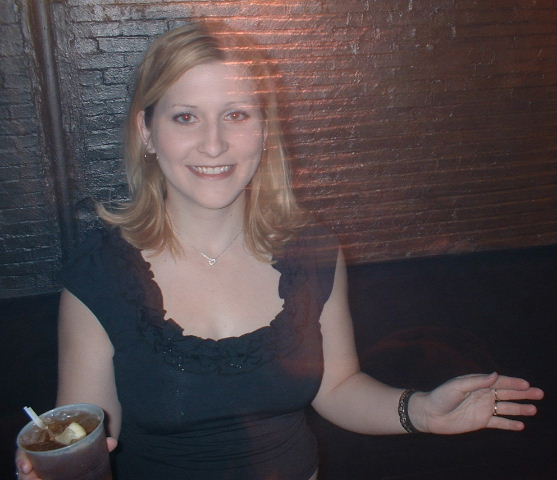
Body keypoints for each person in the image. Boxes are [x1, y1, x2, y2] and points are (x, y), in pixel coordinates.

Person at [16, 21, 543, 480]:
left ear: (264, 130)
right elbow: (81, 434)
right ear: (146, 131)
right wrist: (52, 466)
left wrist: (422, 410)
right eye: (185, 117)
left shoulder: (312, 251)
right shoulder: (100, 275)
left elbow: (337, 387)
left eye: (237, 115)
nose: (214, 144)